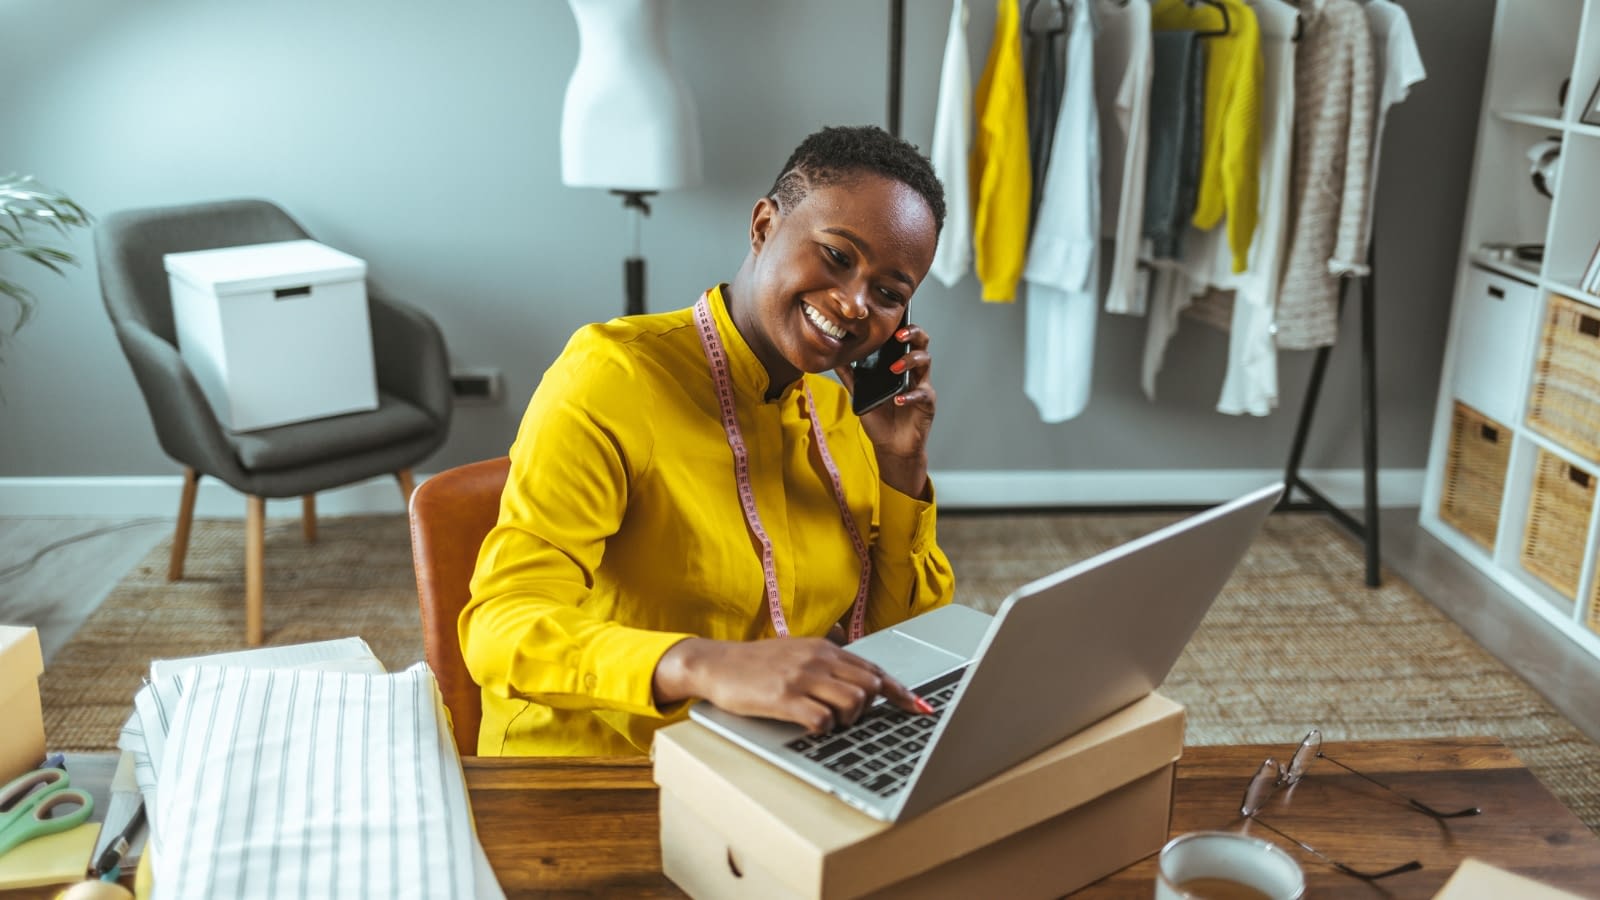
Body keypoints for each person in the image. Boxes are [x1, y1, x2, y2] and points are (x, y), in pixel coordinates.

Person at [460, 125, 957, 756]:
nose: (857, 304)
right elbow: (500, 627)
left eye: (888, 294)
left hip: (770, 754)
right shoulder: (613, 378)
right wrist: (702, 664)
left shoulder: (843, 415)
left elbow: (906, 651)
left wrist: (899, 463)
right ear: (764, 226)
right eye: (837, 256)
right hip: (601, 768)